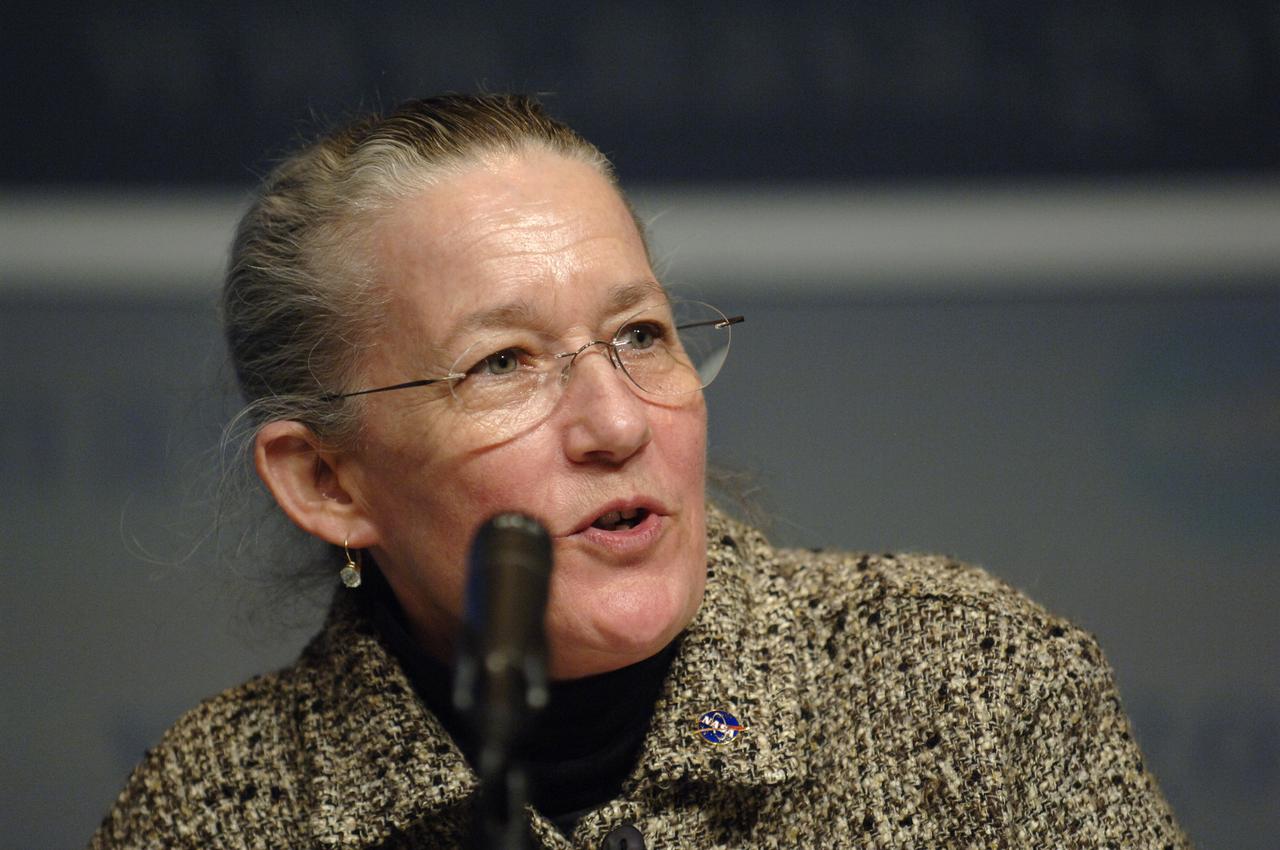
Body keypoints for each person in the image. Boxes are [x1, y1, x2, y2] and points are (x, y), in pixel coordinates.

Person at [90, 94, 1190, 849]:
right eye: (504, 363)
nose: (615, 421)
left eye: (641, 334)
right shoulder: (218, 809)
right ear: (328, 482)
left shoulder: (969, 690)